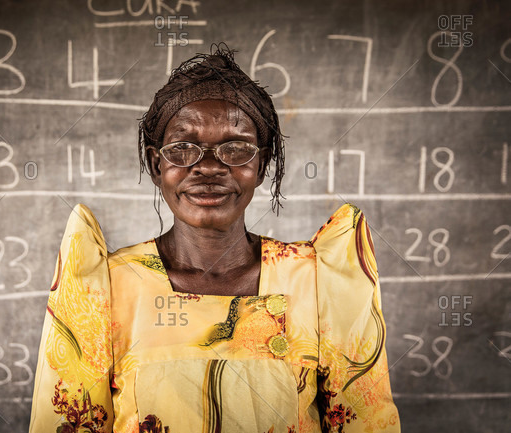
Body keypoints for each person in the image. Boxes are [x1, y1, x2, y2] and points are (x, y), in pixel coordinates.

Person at [29, 45, 400, 433]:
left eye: (235, 148)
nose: (208, 167)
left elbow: (366, 423)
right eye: (183, 148)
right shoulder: (103, 291)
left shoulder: (321, 284)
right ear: (157, 165)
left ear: (261, 164)